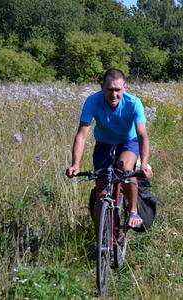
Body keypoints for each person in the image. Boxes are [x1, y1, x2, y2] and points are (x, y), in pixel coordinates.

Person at [66, 68, 152, 229]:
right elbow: (81, 135)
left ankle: (133, 210)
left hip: (128, 141)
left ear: (124, 87)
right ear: (102, 87)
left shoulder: (134, 103)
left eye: (118, 90)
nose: (114, 95)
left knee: (125, 168)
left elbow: (142, 135)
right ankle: (101, 241)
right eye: (110, 90)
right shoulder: (92, 101)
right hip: (104, 144)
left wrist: (145, 163)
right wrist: (75, 163)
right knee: (102, 193)